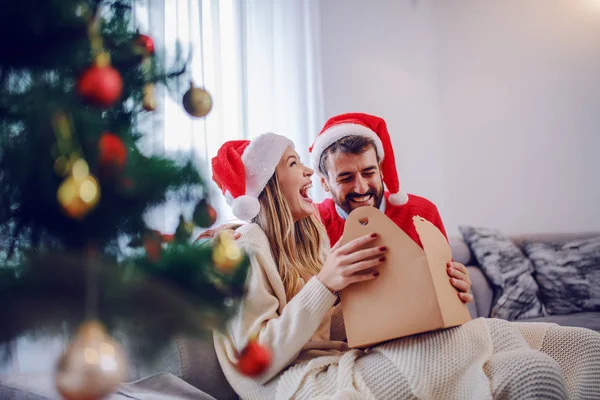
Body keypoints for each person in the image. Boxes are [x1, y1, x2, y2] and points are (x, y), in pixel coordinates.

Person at [210, 132, 600, 400]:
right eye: (295, 163)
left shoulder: (305, 240)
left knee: (549, 363)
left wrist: (433, 292)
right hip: (305, 386)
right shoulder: (243, 250)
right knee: (473, 338)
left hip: (339, 362)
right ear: (269, 186)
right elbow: (253, 364)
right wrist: (325, 285)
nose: (308, 172)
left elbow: (339, 326)